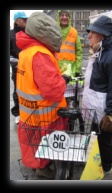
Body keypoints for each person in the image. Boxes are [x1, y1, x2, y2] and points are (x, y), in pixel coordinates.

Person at [16, 12, 71, 179]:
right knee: (43, 144)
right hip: (44, 114)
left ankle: (36, 165)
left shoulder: (27, 51)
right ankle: (42, 168)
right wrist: (65, 78)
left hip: (29, 111)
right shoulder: (41, 54)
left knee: (32, 143)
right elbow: (53, 90)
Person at [82, 15, 112, 176]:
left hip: (104, 110)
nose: (88, 35)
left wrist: (111, 114)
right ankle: (95, 160)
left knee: (104, 141)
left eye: (92, 32)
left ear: (102, 35)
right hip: (97, 107)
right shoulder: (99, 51)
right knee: (96, 136)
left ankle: (107, 167)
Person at [10, 11, 28, 124]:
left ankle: (27, 112)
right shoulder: (10, 34)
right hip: (17, 67)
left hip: (29, 68)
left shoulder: (28, 33)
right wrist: (19, 62)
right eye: (23, 19)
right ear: (17, 21)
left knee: (28, 91)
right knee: (18, 90)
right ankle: (17, 113)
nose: (26, 21)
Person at [56, 10, 83, 79]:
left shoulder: (74, 32)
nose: (64, 17)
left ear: (69, 18)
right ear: (59, 17)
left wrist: (78, 69)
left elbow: (79, 52)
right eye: (62, 15)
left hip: (71, 69)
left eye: (66, 15)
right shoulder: (54, 31)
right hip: (56, 68)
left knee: (70, 89)